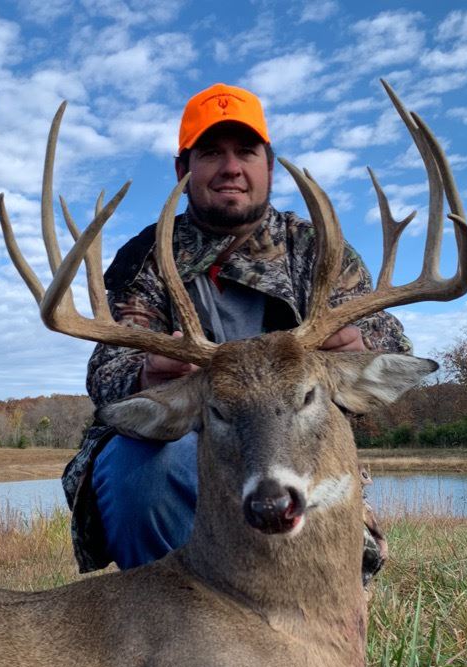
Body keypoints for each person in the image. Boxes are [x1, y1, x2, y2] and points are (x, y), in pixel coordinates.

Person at [62, 83, 410, 577]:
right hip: (189, 445)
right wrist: (146, 373)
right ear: (182, 170)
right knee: (139, 473)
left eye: (246, 152)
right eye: (211, 153)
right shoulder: (145, 258)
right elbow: (106, 371)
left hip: (295, 449)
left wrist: (362, 344)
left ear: (268, 166)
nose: (231, 167)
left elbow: (386, 333)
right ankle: (176, 612)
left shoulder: (314, 247)